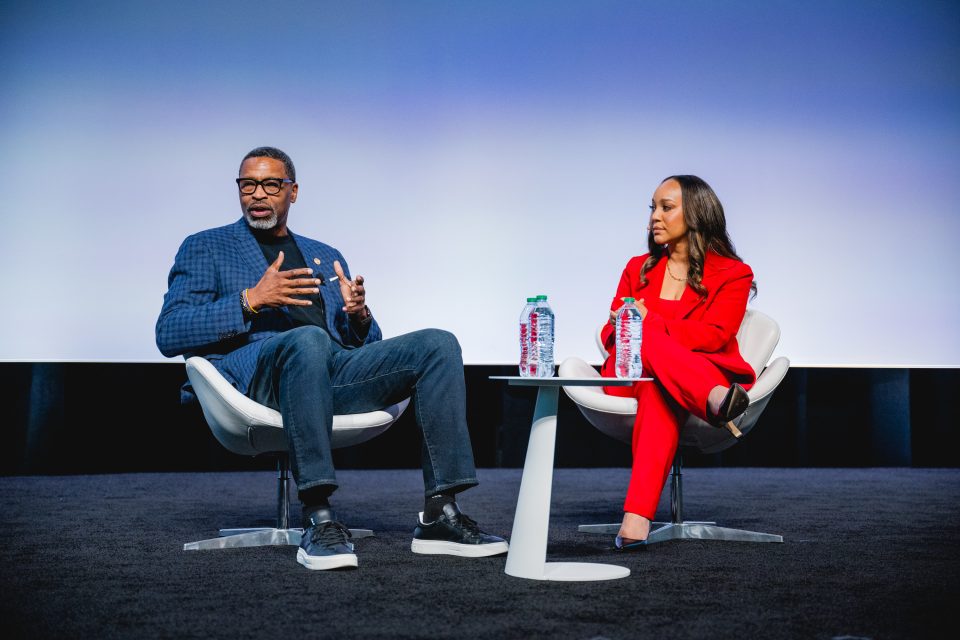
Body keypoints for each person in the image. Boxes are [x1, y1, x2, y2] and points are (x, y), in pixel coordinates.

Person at [156, 146, 507, 570]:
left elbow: (361, 345)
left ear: (293, 191)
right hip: (258, 382)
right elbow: (169, 331)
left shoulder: (324, 253)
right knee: (306, 340)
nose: (258, 194)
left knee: (438, 343)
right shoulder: (206, 246)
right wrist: (250, 300)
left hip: (330, 375)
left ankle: (439, 513)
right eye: (248, 184)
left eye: (271, 184)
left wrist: (358, 317)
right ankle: (318, 517)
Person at [601, 175, 757, 550]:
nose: (654, 216)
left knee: (661, 390)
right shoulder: (638, 268)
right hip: (634, 374)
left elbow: (716, 334)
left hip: (679, 377)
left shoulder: (733, 273)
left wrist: (646, 322)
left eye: (666, 207)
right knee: (648, 349)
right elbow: (611, 333)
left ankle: (636, 519)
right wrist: (638, 328)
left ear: (697, 213)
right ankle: (716, 399)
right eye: (652, 207)